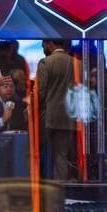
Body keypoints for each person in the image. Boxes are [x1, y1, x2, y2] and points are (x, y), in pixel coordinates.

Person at [36, 38, 76, 179]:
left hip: (47, 117)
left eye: (44, 44)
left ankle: (37, 187)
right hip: (68, 117)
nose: (43, 47)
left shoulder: (46, 63)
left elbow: (40, 93)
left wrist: (31, 112)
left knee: (36, 153)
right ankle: (60, 191)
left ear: (51, 43)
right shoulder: (77, 64)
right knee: (61, 156)